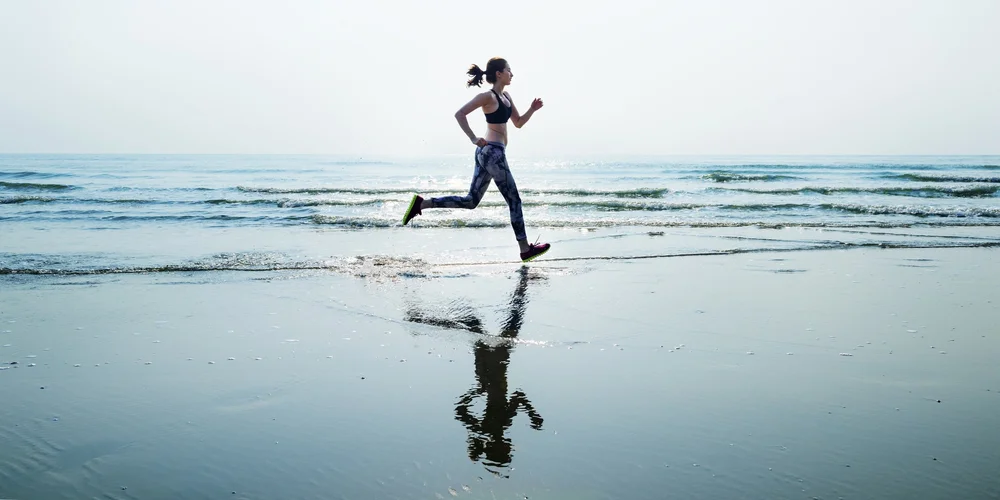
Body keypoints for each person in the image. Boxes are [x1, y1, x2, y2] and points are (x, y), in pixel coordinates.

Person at [401, 57, 551, 262]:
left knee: (471, 201)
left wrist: (532, 109)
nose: (512, 74)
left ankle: (422, 204)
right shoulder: (487, 97)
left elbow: (518, 123)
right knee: (514, 200)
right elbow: (460, 114)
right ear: (499, 74)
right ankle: (525, 249)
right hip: (492, 153)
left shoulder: (506, 96)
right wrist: (472, 138)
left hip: (490, 153)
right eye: (509, 70)